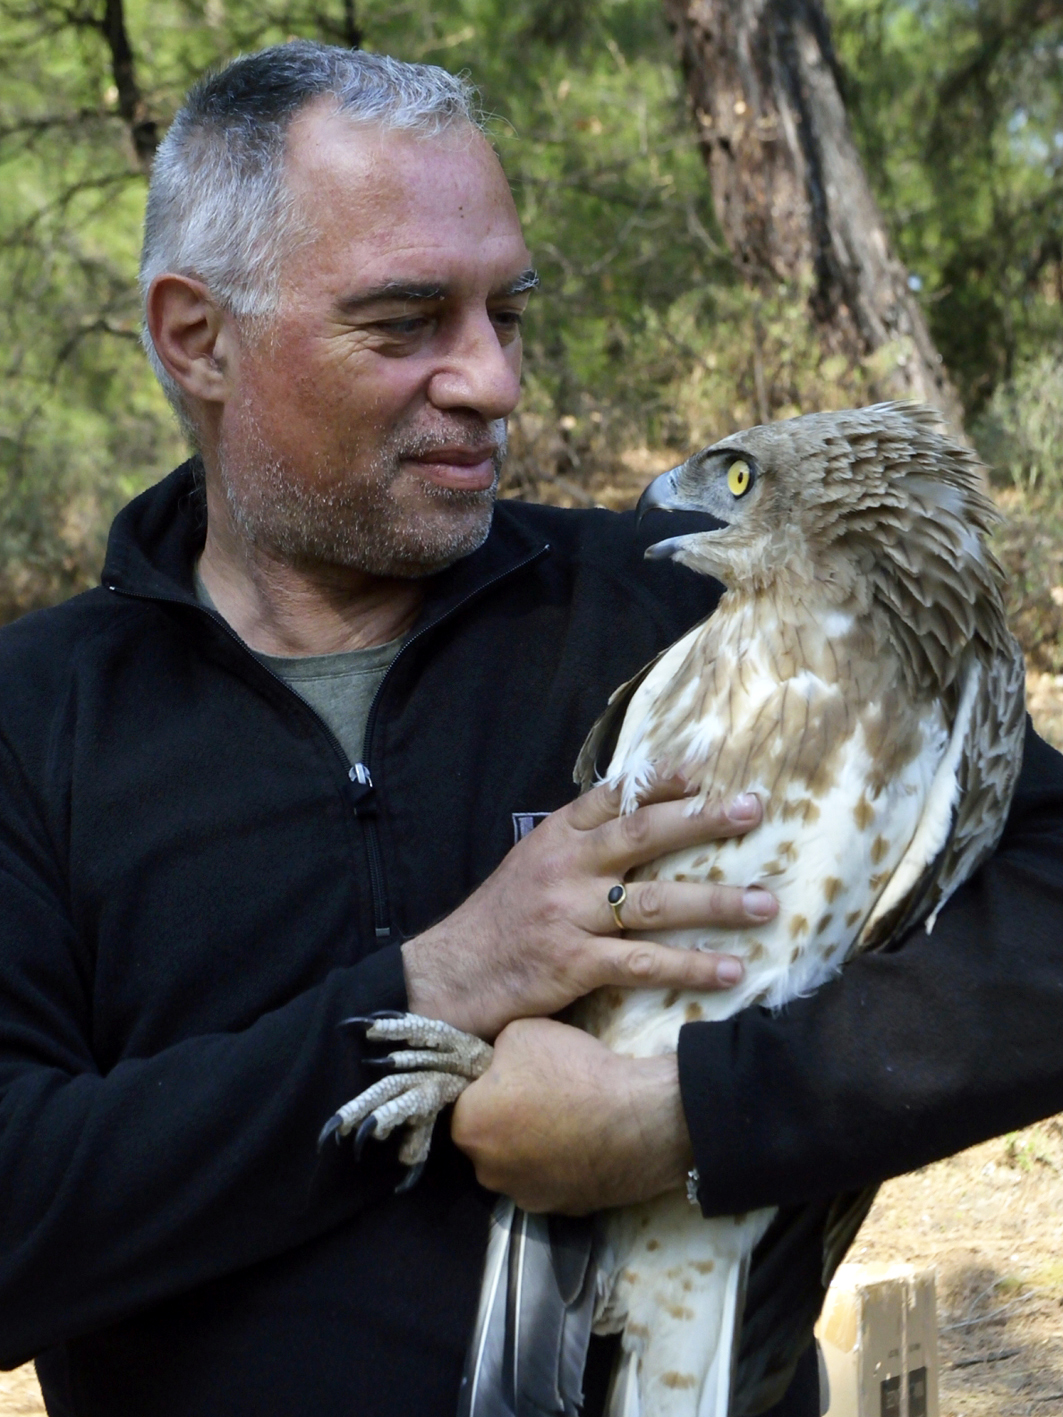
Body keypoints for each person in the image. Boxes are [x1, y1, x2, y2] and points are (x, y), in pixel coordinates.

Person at [0, 40, 1061, 1417]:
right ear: (197, 338)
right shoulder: (36, 720)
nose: (493, 381)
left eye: (509, 311)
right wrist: (435, 982)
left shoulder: (686, 607)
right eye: (406, 322)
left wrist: (686, 1111)